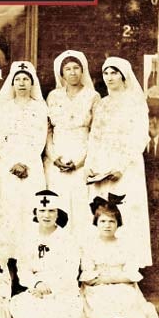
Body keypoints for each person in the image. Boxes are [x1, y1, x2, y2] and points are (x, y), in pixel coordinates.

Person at [80, 196, 159, 318]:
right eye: (103, 221)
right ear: (96, 223)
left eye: (112, 221)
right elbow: (88, 273)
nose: (107, 225)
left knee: (129, 300)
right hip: (97, 288)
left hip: (122, 284)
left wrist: (110, 278)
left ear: (118, 224)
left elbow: (131, 273)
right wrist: (103, 280)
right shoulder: (89, 246)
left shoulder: (126, 245)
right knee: (104, 303)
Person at [84, 56, 151, 268]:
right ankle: (103, 265)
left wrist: (121, 167)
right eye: (106, 73)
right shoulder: (101, 104)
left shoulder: (135, 102)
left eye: (114, 73)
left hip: (126, 166)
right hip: (102, 166)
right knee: (103, 212)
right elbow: (94, 136)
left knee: (126, 211)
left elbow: (140, 137)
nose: (109, 77)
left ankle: (128, 267)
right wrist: (91, 166)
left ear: (124, 75)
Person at [10, 190, 91, 318]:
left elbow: (69, 272)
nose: (46, 215)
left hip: (61, 289)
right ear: (35, 212)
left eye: (51, 211)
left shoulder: (67, 239)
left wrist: (50, 287)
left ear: (58, 213)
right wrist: (36, 284)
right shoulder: (28, 237)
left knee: (60, 315)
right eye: (42, 210)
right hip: (36, 289)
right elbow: (23, 268)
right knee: (22, 306)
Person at [0, 61, 48, 255]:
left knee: (30, 207)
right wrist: (12, 162)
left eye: (26, 79)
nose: (22, 83)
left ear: (32, 83)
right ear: (12, 83)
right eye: (18, 79)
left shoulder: (40, 107)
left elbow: (41, 137)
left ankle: (29, 255)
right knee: (9, 208)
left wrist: (26, 162)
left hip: (32, 164)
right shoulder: (5, 107)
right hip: (8, 165)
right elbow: (0, 137)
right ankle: (8, 256)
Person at [45, 50, 100, 235]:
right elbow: (47, 131)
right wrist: (54, 157)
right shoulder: (53, 96)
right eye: (67, 69)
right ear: (61, 73)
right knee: (57, 202)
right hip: (57, 157)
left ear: (82, 70)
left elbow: (96, 133)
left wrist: (81, 161)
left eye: (76, 68)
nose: (72, 72)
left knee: (80, 205)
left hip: (82, 156)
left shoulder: (93, 96)